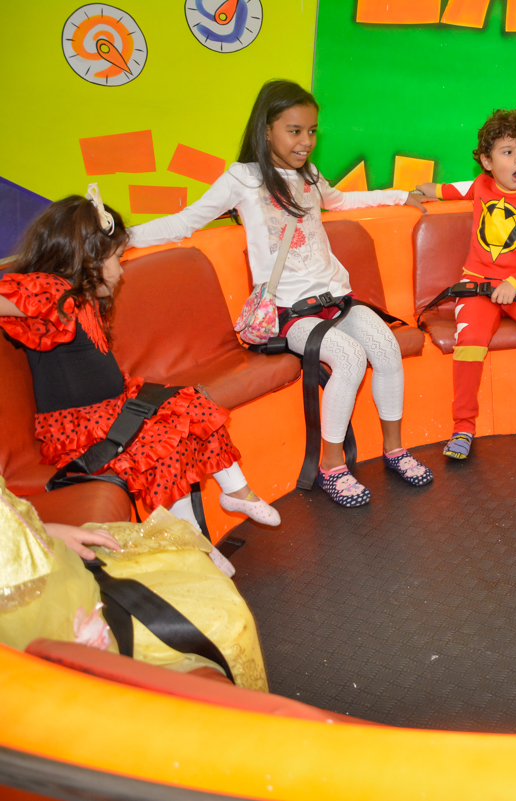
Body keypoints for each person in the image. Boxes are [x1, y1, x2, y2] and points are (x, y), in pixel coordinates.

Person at [127, 80, 432, 508]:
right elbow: (185, 221)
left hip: (337, 300)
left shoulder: (308, 175)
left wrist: (403, 195)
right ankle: (331, 466)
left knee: (385, 346)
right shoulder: (244, 179)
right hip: (289, 313)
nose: (306, 141)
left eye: (311, 131)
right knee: (348, 357)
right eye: (294, 130)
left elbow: (342, 201)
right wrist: (122, 236)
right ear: (266, 128)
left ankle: (395, 449)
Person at [0, 193, 277, 577]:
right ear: (88, 260)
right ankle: (194, 541)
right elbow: (13, 297)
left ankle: (235, 491)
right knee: (159, 447)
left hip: (114, 407)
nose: (121, 271)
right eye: (115, 259)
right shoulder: (55, 296)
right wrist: (50, 286)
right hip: (79, 428)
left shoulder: (86, 300)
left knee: (189, 405)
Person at [0, 476, 267, 690]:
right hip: (42, 610)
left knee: (185, 561)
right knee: (228, 623)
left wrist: (48, 531)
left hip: (49, 556)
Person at [415, 109, 516, 460]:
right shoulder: (481, 186)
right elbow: (450, 189)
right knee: (469, 339)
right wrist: (421, 190)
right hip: (478, 286)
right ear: (486, 161)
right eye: (508, 152)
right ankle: (463, 427)